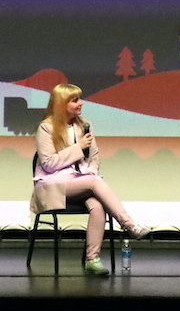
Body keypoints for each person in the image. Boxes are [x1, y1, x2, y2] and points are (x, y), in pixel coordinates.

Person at [32, 83, 148, 275]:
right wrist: (78, 148)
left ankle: (92, 259)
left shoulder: (84, 125)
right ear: (61, 103)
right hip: (52, 187)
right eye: (75, 100)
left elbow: (94, 157)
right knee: (95, 182)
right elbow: (49, 164)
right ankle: (129, 225)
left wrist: (90, 171)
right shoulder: (46, 128)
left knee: (98, 206)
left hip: (82, 182)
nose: (81, 103)